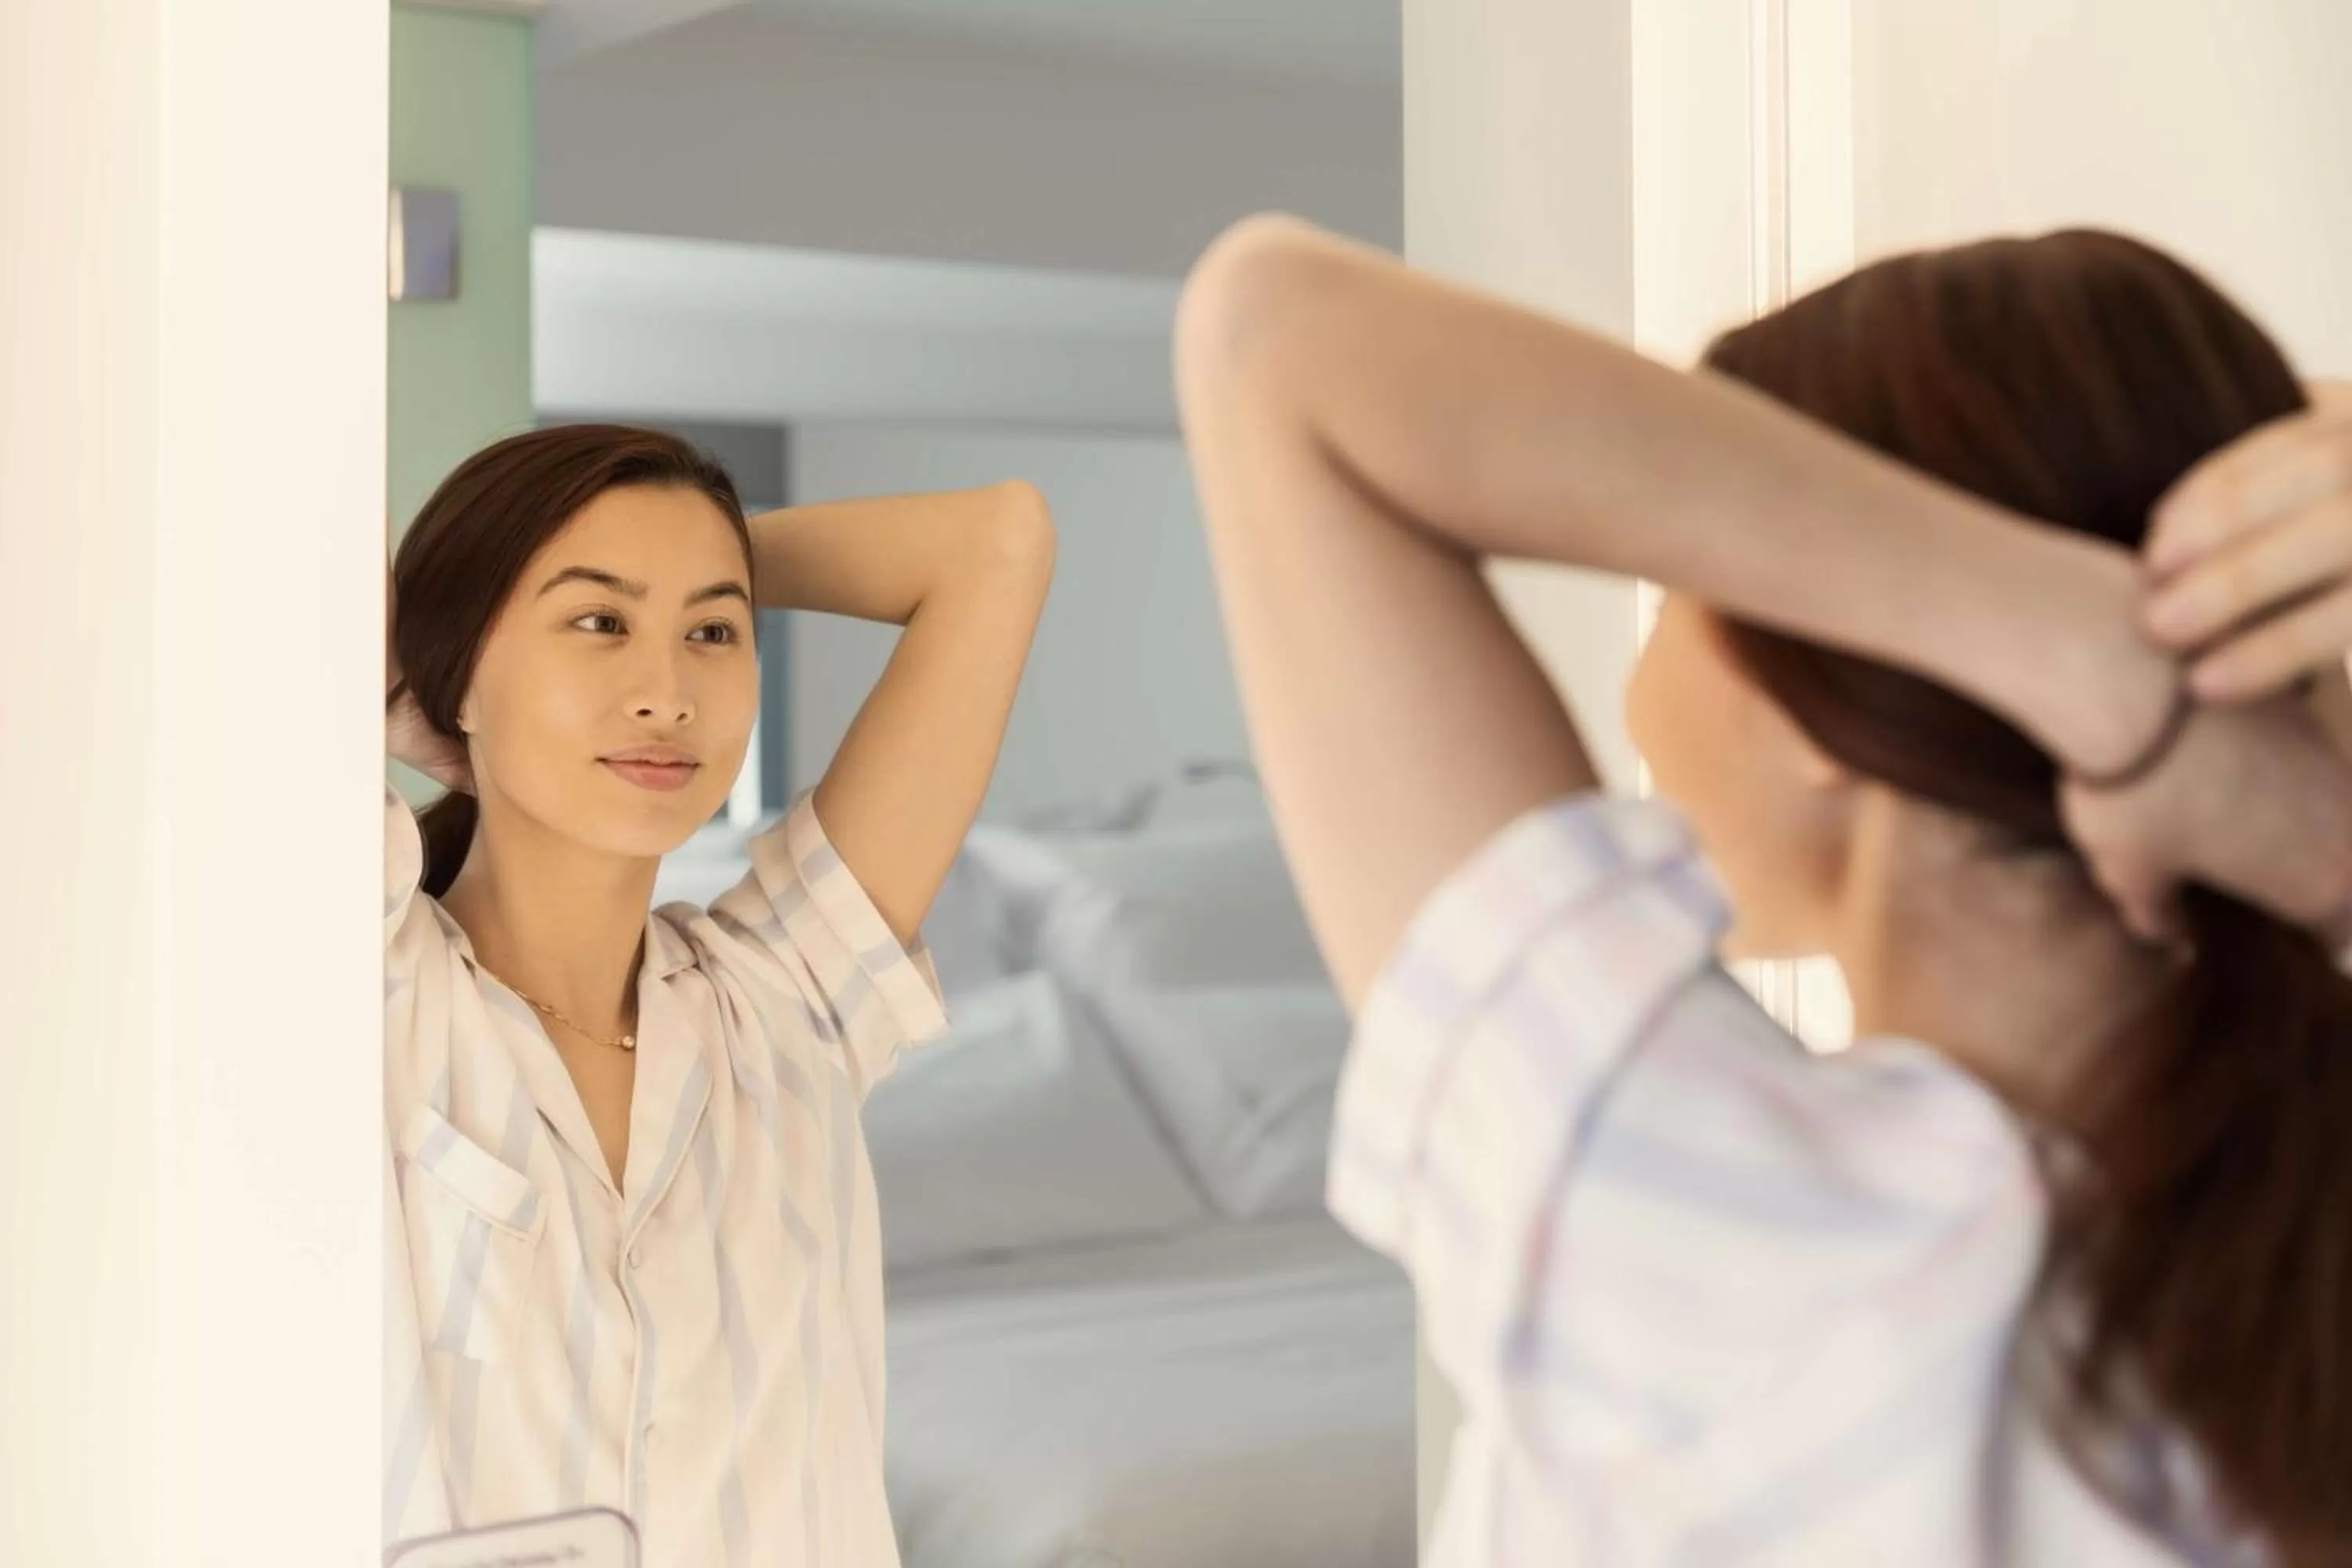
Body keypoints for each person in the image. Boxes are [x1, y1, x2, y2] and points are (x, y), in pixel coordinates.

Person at [1174, 216, 2352, 1564]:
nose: (1637, 691)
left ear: (1816, 700)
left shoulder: (1725, 1233)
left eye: (1684, 584)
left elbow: (1271, 337)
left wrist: (2088, 658)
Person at [382, 424, 1054, 1565]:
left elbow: (999, 541)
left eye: (712, 631)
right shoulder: (369, 986)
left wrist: (712, 558)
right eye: (599, 622)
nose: (667, 692)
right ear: (457, 671)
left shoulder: (789, 999)